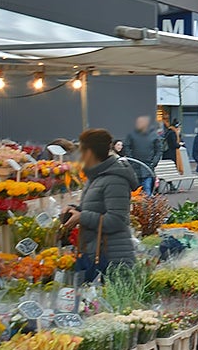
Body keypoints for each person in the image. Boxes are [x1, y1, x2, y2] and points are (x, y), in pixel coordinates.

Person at [64, 129, 137, 274]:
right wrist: (75, 210)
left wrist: (82, 217)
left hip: (113, 258)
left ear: (90, 152)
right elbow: (96, 208)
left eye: (82, 151)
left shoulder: (115, 179)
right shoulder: (96, 177)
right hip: (98, 252)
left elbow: (117, 220)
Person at [120, 115, 162, 195]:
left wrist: (154, 162)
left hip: (148, 167)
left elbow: (158, 150)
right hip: (135, 167)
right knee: (135, 191)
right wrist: (131, 160)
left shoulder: (154, 136)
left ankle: (146, 207)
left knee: (147, 190)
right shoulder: (131, 135)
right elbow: (127, 147)